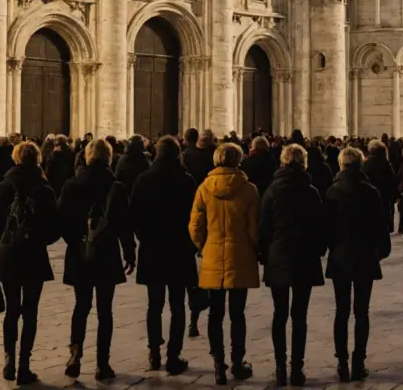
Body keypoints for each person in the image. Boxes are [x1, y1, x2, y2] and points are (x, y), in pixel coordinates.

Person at [58, 138, 137, 382]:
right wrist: (129, 252)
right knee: (105, 311)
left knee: (81, 306)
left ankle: (75, 353)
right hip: (106, 253)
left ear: (87, 156)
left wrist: (76, 241)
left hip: (80, 253)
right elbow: (124, 225)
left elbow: (62, 220)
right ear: (109, 157)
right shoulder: (116, 186)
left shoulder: (71, 185)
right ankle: (103, 364)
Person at [0, 141, 59, 384]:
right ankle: (24, 366)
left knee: (11, 311)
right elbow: (54, 228)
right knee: (30, 313)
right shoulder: (45, 190)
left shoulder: (2, 187)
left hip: (8, 256)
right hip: (33, 256)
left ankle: (8, 359)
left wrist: (5, 238)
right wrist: (38, 239)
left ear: (16, 158)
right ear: (37, 160)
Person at [190, 143, 259, 385]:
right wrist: (254, 248)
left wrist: (202, 246)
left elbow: (195, 225)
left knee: (215, 313)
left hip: (213, 254)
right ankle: (238, 362)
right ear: (238, 160)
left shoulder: (204, 187)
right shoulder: (249, 189)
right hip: (240, 255)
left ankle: (218, 364)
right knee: (237, 313)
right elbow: (254, 228)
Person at [259, 144, 326, 388]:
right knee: (299, 316)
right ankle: (297, 369)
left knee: (279, 314)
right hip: (305, 257)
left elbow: (263, 227)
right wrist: (319, 250)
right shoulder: (310, 191)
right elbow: (320, 226)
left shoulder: (272, 191)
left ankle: (279, 367)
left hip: (279, 256)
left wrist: (265, 254)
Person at [130, 135, 197, 376]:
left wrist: (144, 237)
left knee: (154, 304)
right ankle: (173, 355)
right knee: (178, 304)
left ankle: (154, 352)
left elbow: (134, 214)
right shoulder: (186, 180)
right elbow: (194, 216)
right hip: (179, 249)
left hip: (152, 249)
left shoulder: (144, 180)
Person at [325, 147, 391, 382]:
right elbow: (380, 225)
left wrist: (331, 248)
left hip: (340, 257)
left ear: (341, 165)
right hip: (364, 255)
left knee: (341, 311)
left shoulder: (332, 192)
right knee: (361, 311)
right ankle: (358, 362)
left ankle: (342, 363)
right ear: (361, 165)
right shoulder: (370, 192)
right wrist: (382, 251)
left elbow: (327, 228)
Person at [362, 140, 397, 232]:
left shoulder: (366, 163)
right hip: (384, 196)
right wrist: (394, 196)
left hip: (369, 197)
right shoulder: (386, 164)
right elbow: (392, 181)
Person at [45, 135, 75, 200]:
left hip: (54, 182)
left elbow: (48, 170)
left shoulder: (52, 155)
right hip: (67, 181)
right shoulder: (71, 153)